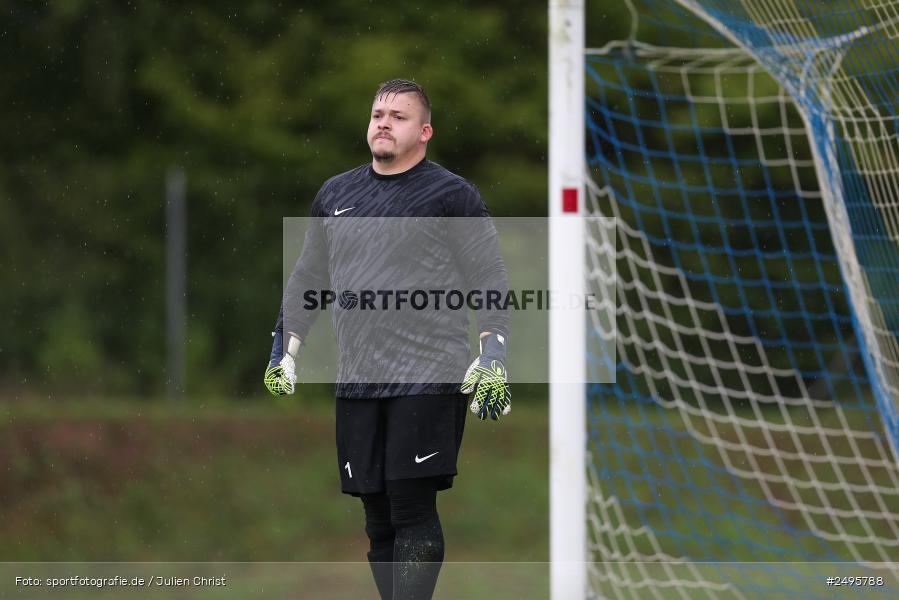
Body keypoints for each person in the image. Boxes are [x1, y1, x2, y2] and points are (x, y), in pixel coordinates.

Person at [264, 79, 510, 600]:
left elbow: (487, 276)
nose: (383, 121)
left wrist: (494, 351)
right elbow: (310, 278)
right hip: (358, 379)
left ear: (424, 133)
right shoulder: (336, 194)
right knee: (376, 515)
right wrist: (284, 350)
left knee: (410, 505)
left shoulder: (451, 195)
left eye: (398, 116)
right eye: (377, 112)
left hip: (428, 374)